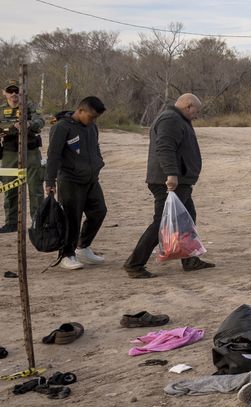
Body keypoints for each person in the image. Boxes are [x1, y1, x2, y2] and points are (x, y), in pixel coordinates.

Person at [123, 93, 214, 279]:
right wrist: (172, 174)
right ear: (188, 106)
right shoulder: (170, 119)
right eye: (196, 111)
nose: (197, 115)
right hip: (168, 182)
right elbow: (164, 147)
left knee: (187, 218)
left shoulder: (178, 119)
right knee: (162, 223)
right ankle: (134, 264)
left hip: (179, 181)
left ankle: (190, 259)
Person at [43, 96, 108, 270]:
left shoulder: (92, 127)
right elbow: (53, 155)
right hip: (70, 180)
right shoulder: (61, 127)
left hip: (91, 179)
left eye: (96, 118)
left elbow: (95, 146)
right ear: (80, 111)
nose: (93, 120)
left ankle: (83, 247)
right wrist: (50, 180)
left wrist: (98, 161)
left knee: (99, 211)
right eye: (91, 116)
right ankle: (66, 254)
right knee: (71, 219)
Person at [1, 83, 45, 233]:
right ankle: (11, 222)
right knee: (10, 187)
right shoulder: (1, 110)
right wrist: (12, 127)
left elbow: (40, 122)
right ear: (4, 93)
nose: (13, 94)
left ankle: (38, 222)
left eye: (16, 91)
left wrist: (29, 124)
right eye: (10, 91)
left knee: (35, 187)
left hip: (30, 151)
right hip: (9, 153)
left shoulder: (31, 107)